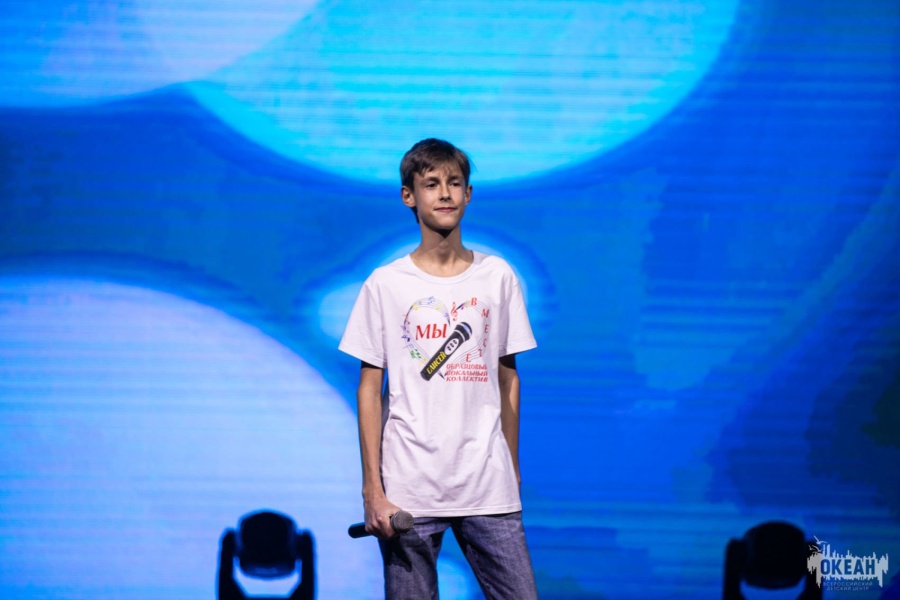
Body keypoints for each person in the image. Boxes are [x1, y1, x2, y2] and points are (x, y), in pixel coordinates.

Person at [339, 138, 539, 599]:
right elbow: (370, 389)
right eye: (431, 184)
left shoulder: (497, 276)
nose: (445, 193)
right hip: (409, 485)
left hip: (487, 480)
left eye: (454, 183)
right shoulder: (386, 284)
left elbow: (508, 376)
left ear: (469, 194)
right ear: (408, 195)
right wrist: (373, 490)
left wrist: (510, 466)